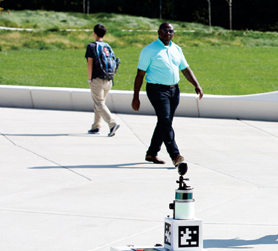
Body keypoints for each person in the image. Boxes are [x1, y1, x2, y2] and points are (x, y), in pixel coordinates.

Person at [131, 22, 204, 167]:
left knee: (165, 122)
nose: (168, 33)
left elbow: (185, 69)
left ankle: (151, 153)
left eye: (170, 31)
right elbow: (140, 75)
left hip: (174, 90)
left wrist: (196, 84)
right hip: (156, 90)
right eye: (165, 30)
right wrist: (136, 96)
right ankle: (175, 155)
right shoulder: (149, 50)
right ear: (158, 32)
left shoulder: (177, 49)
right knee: (165, 121)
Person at [86, 24, 120, 137]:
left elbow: (90, 63)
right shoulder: (107, 46)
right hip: (109, 79)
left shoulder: (91, 46)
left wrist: (90, 78)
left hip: (97, 79)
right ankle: (96, 126)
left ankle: (112, 123)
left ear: (94, 33)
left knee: (99, 103)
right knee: (100, 103)